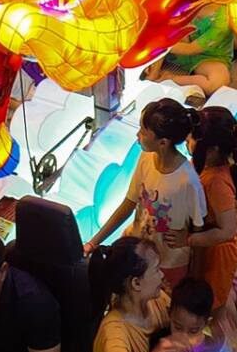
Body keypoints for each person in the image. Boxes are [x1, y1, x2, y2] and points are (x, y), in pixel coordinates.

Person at [86, 98, 206, 286]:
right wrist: (93, 243)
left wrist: (194, 280)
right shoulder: (146, 158)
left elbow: (199, 229)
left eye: (143, 132)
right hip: (140, 253)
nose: (137, 135)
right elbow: (129, 202)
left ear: (163, 142)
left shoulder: (187, 181)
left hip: (170, 264)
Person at [89, 236, 175, 352]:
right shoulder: (114, 332)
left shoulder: (157, 301)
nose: (162, 275)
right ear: (136, 283)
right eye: (157, 270)